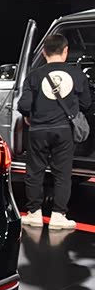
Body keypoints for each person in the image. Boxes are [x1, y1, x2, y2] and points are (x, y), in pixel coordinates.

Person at [19, 34, 92, 230]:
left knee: (35, 172)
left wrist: (28, 115)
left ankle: (34, 214)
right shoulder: (77, 74)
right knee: (62, 174)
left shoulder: (34, 75)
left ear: (44, 52)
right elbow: (86, 103)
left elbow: (24, 104)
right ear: (65, 50)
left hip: (38, 129)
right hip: (64, 130)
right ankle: (58, 216)